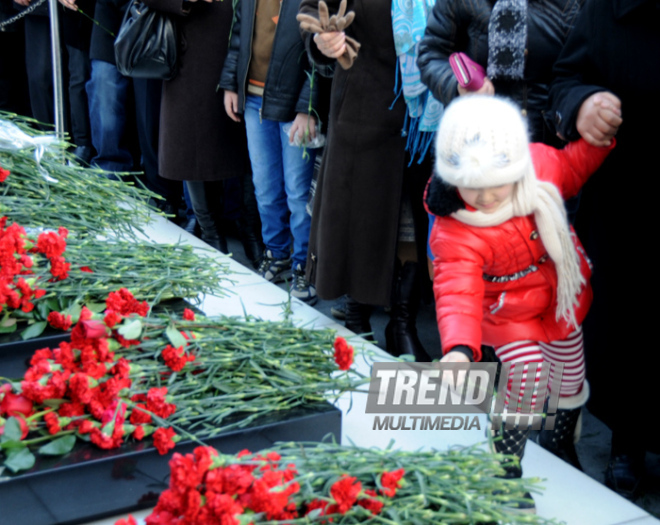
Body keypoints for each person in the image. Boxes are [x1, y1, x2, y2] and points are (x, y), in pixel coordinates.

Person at [426, 96, 612, 498]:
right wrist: (459, 348)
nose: (486, 198)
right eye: (473, 188)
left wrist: (600, 136)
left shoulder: (540, 169)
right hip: (504, 311)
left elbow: (575, 165)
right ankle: (506, 469)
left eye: (497, 183)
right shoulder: (454, 228)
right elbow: (456, 289)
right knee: (527, 374)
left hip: (558, 296)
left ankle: (560, 443)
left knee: (570, 376)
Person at [548, 0, 660, 499]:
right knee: (630, 329)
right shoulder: (606, 10)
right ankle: (627, 442)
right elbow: (565, 80)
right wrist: (584, 105)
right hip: (627, 203)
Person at [298, 0, 435, 359]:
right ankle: (355, 317)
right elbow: (312, 8)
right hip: (365, 105)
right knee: (361, 214)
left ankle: (401, 324)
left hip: (429, 113)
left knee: (415, 218)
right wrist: (324, 40)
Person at [219, 0, 318, 303]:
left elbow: (318, 55)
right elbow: (239, 35)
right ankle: (277, 254)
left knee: (298, 191)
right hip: (252, 99)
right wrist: (231, 83)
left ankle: (304, 264)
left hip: (292, 107)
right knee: (264, 186)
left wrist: (307, 107)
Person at [417, 0, 583, 145]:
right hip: (475, 147)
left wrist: (570, 110)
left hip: (546, 149)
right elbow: (432, 53)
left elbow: (588, 67)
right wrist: (457, 87)